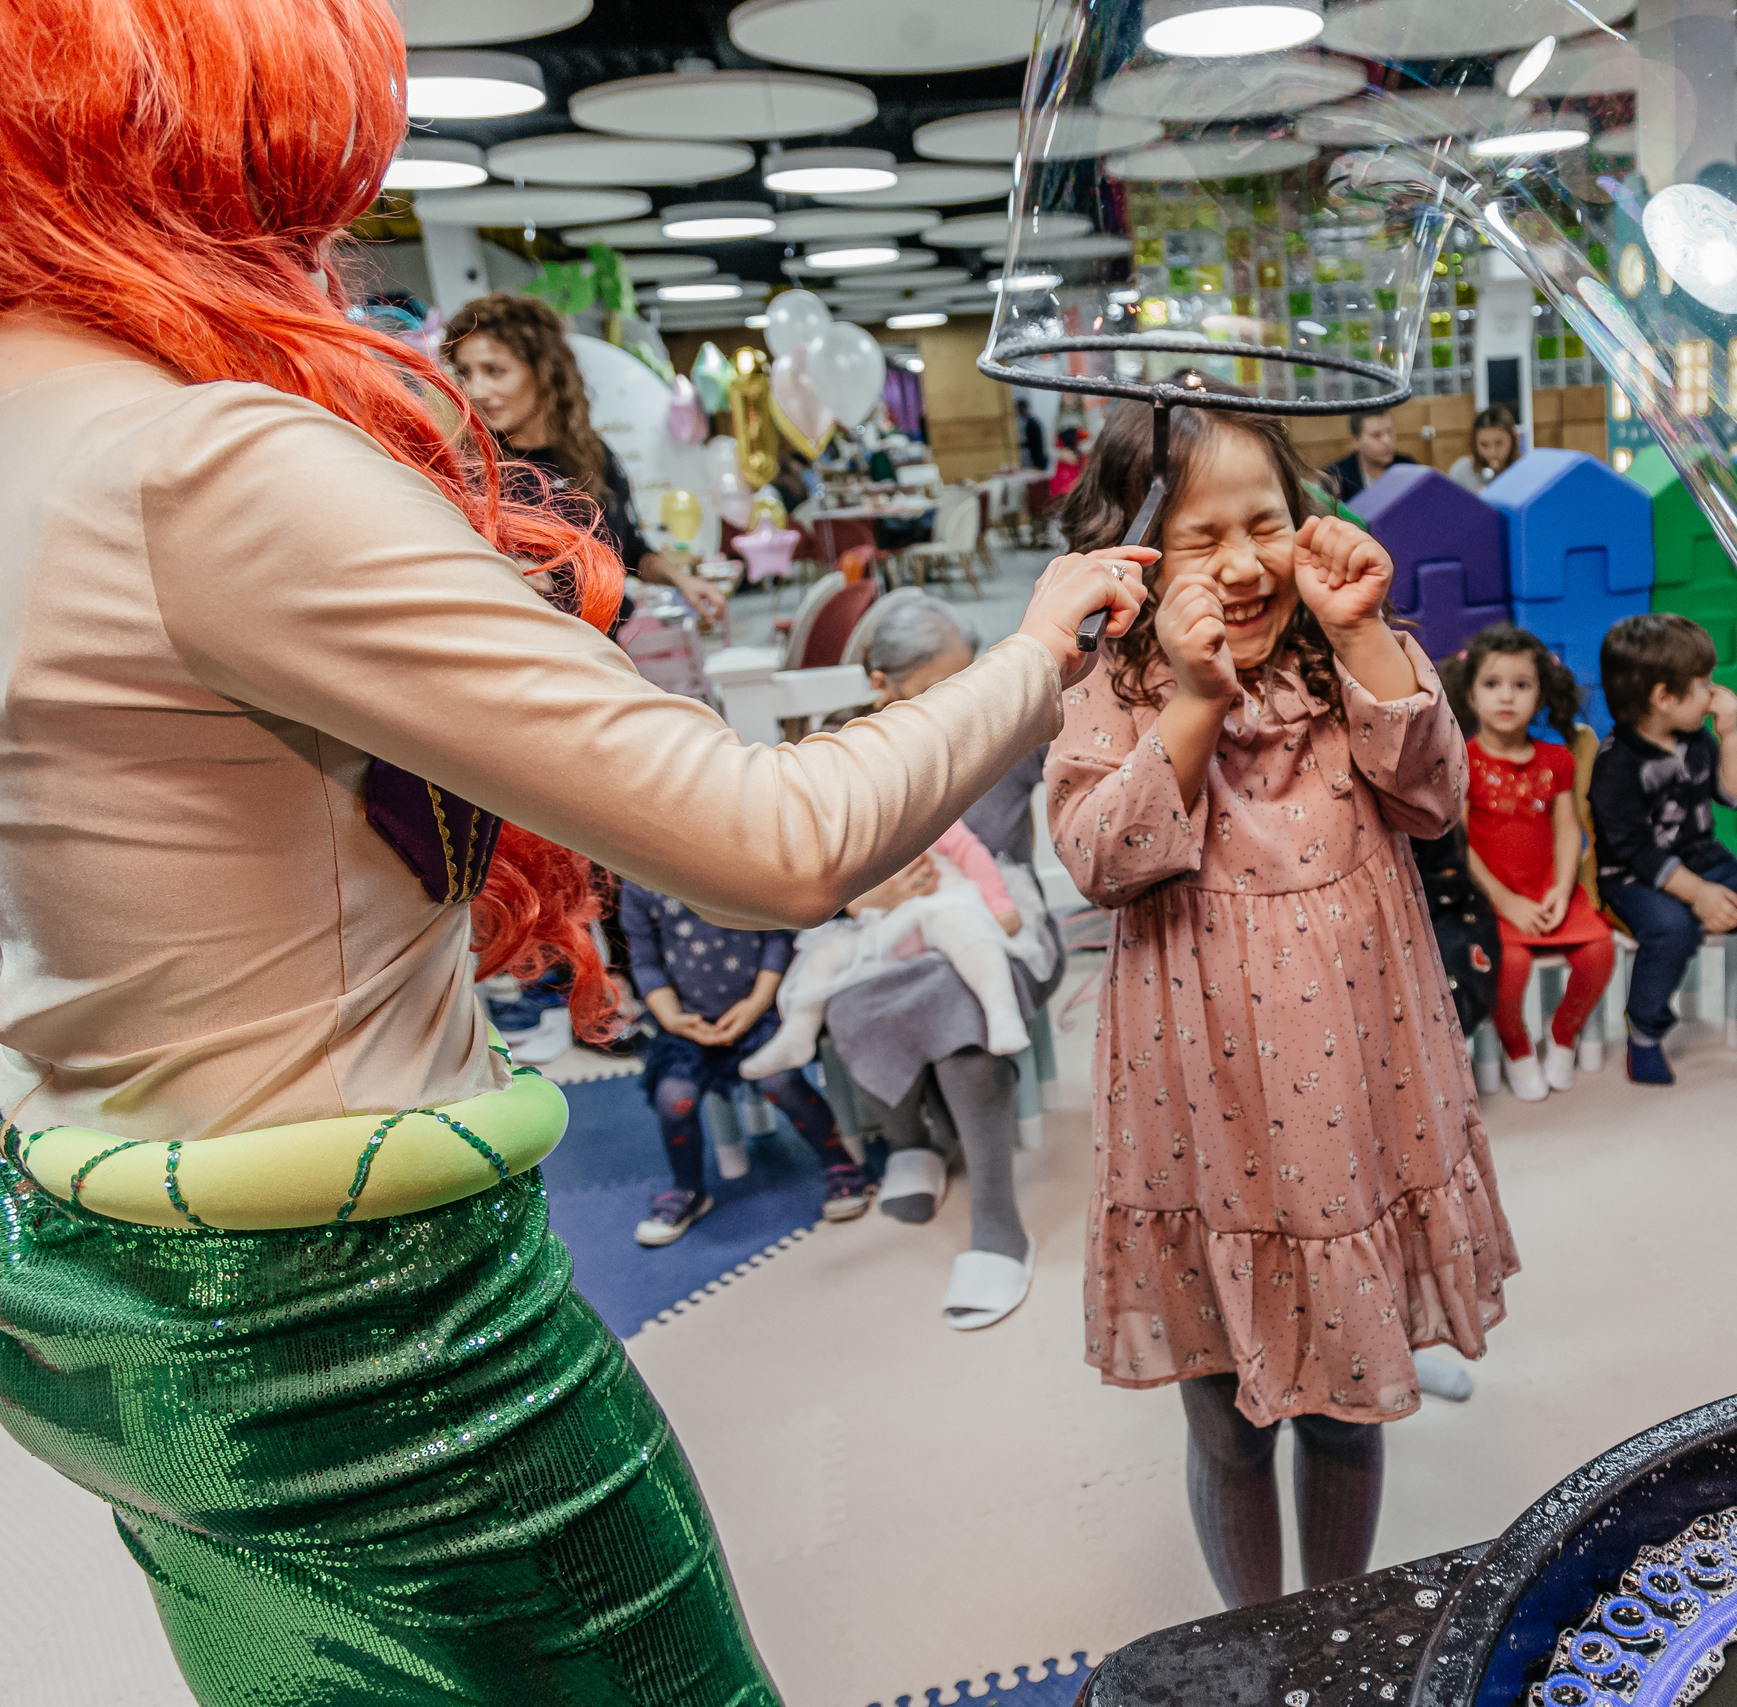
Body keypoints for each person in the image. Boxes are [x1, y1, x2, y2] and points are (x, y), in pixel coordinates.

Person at [0, 2, 1148, 1692]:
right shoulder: (196, 467)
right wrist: (1038, 651)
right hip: (361, 1327)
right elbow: (772, 839)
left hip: (109, 1288)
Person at [1047, 391, 1516, 1608]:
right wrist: (1196, 704)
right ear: (1137, 549)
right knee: (1229, 1428)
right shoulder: (1115, 689)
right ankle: (1259, 1636)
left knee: (1351, 1417)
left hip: (1359, 1104)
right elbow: (1100, 857)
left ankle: (1337, 1621)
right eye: (1203, 540)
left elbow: (1431, 802)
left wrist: (1362, 636)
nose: (1244, 564)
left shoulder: (1346, 652)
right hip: (1202, 1117)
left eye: (1266, 524)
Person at [816, 590, 1058, 1330]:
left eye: (964, 682)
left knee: (962, 996)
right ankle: (911, 1143)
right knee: (850, 994)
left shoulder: (1007, 733)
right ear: (881, 685)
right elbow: (810, 867)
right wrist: (863, 897)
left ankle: (996, 1218)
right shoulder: (843, 751)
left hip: (997, 917)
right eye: (930, 691)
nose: (954, 705)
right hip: (887, 925)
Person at [1588, 613, 1737, 1085]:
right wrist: (1698, 894)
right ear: (1663, 697)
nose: (1712, 693)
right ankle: (1645, 1032)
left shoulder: (1695, 739)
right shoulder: (1616, 764)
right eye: (1702, 683)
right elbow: (1637, 851)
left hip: (1702, 857)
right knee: (1671, 929)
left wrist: (1732, 733)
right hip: (1633, 876)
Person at [443, 292, 731, 622]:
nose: (475, 390)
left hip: (603, 650)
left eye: (495, 371)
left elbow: (630, 549)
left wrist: (683, 581)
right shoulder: (470, 472)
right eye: (464, 373)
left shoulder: (590, 454)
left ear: (544, 370)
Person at [623, 883, 870, 1245]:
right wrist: (672, 1017)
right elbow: (645, 961)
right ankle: (688, 1189)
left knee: (781, 1083)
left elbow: (775, 937)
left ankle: (838, 1162)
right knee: (674, 1099)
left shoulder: (730, 859)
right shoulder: (638, 884)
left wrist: (756, 1003)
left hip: (759, 1014)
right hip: (687, 1026)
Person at [1444, 625, 1615, 1101]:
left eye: (1521, 685)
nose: (1507, 697)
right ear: (1470, 692)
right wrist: (1506, 901)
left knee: (1600, 951)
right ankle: (1517, 1046)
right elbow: (1460, 844)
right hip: (1491, 897)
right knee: (1509, 965)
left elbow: (1567, 830)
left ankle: (1564, 1034)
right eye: (1492, 684)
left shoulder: (1558, 759)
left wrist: (1562, 890)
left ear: (1541, 695)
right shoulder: (1463, 760)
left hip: (1548, 887)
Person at [1321, 407, 1414, 506]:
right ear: (1356, 440)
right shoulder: (1337, 476)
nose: (1387, 441)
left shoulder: (1408, 467)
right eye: (1376, 435)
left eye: (1389, 432)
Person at [1445, 405, 1523, 493]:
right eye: (1484, 445)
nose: (1492, 453)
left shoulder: (1527, 470)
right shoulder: (1462, 472)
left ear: (1516, 438)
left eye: (1499, 443)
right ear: (1475, 443)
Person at [1018, 395, 1051, 471]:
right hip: (1037, 459)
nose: (1019, 412)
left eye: (1020, 409)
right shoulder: (1031, 422)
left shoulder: (1032, 423)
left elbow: (1034, 442)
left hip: (1038, 459)